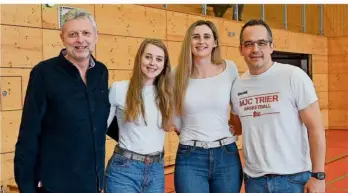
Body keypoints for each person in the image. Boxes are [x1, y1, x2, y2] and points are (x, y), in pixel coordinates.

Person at [14, 8, 109, 193]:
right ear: (62, 38)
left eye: (86, 33)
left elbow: (101, 118)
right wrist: (26, 186)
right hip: (55, 185)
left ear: (96, 37)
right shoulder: (43, 73)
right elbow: (28, 133)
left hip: (92, 182)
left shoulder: (101, 72)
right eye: (73, 34)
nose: (80, 40)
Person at [230, 19, 326, 193]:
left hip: (294, 179)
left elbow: (316, 128)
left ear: (272, 46)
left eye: (261, 43)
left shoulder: (293, 76)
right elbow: (236, 127)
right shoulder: (237, 86)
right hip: (254, 181)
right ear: (241, 49)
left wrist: (318, 175)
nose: (255, 49)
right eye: (249, 44)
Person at [173, 20, 243, 193]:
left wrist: (231, 129)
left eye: (206, 36)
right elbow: (175, 118)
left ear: (215, 42)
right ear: (189, 41)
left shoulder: (230, 69)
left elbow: (237, 108)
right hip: (190, 156)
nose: (201, 41)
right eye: (195, 37)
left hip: (226, 154)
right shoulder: (176, 74)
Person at [105, 39, 173, 193]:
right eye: (148, 57)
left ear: (164, 64)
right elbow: (100, 128)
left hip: (156, 170)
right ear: (139, 58)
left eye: (159, 59)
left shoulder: (168, 94)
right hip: (124, 170)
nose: (153, 63)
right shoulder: (119, 89)